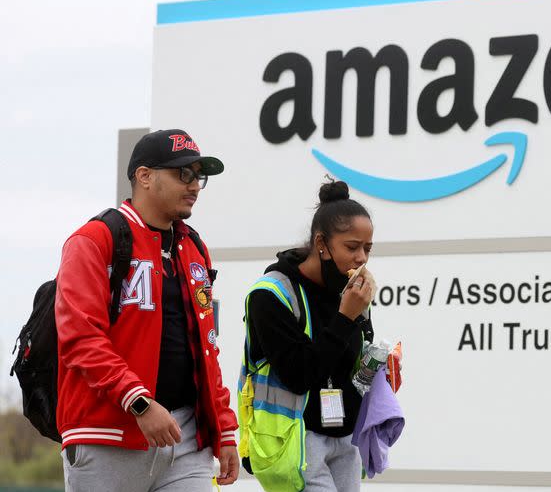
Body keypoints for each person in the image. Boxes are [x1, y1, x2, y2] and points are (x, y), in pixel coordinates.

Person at [55, 129, 239, 491]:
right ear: (144, 176)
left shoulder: (193, 248)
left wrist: (224, 427)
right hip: (107, 435)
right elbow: (80, 337)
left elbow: (207, 347)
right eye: (183, 173)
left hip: (185, 438)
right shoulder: (94, 240)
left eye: (199, 176)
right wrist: (139, 403)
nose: (195, 185)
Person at [241, 179, 375, 492]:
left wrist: (376, 368)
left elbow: (348, 362)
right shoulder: (271, 294)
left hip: (345, 439)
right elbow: (299, 373)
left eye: (367, 248)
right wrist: (345, 317)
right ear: (321, 243)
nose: (362, 259)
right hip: (295, 441)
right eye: (352, 247)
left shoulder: (350, 290)